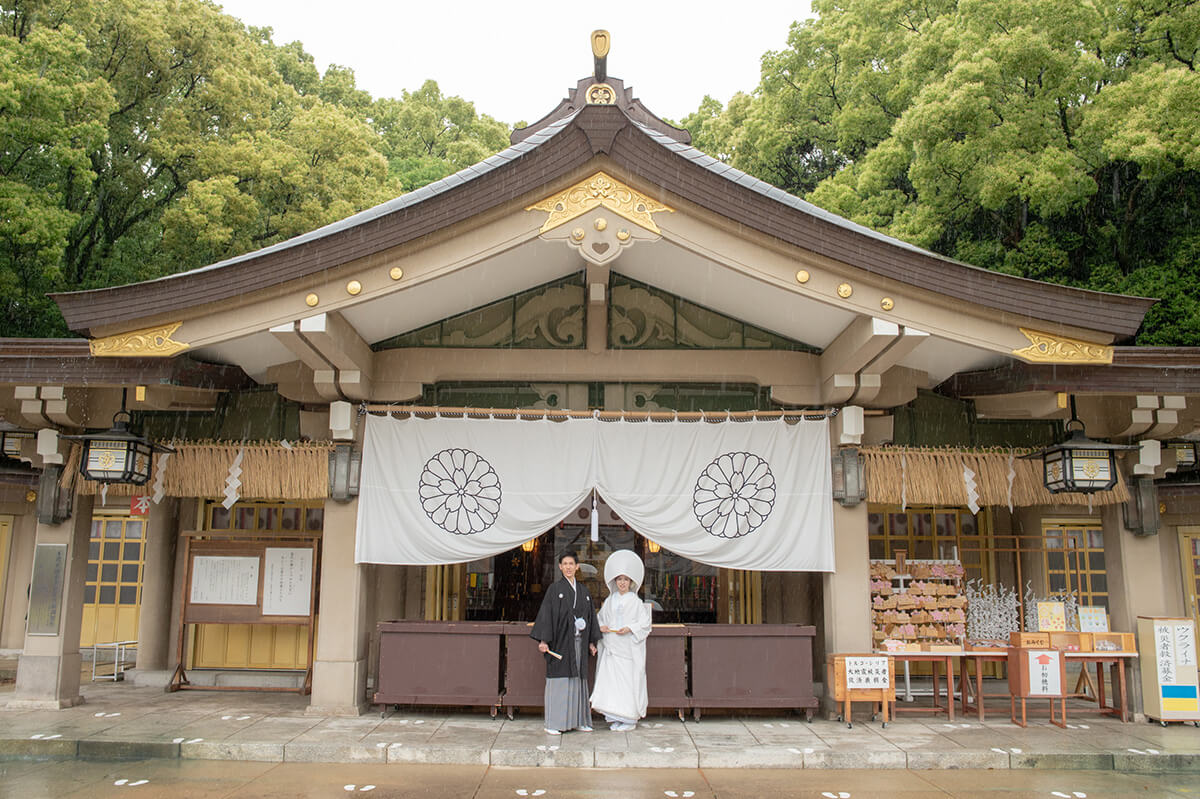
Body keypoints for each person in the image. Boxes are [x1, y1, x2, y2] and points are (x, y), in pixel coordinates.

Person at [530, 549, 601, 735]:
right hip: (560, 643)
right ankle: (554, 723)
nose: (568, 567)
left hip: (579, 643)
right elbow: (547, 614)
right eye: (565, 564)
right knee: (561, 681)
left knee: (578, 680)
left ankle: (579, 721)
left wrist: (592, 642)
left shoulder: (584, 592)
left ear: (577, 567)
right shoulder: (555, 590)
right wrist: (544, 640)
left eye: (572, 564)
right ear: (560, 567)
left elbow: (591, 617)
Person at [589, 549, 653, 732]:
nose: (622, 583)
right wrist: (601, 627)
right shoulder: (610, 600)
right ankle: (615, 716)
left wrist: (630, 628)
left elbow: (645, 624)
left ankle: (629, 718)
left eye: (625, 579)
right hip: (611, 646)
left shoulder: (636, 601)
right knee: (613, 683)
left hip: (628, 648)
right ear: (614, 582)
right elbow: (601, 618)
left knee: (627, 682)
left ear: (631, 582)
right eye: (619, 579)